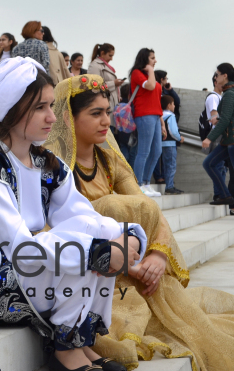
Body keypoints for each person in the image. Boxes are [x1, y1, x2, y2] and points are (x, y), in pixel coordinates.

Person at [0, 59, 145, 371]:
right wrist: (97, 251)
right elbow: (18, 248)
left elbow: (80, 213)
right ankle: (66, 349)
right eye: (40, 107)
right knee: (79, 248)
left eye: (52, 105)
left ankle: (82, 341)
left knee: (93, 236)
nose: (52, 117)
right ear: (12, 110)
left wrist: (122, 237)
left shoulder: (47, 163)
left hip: (32, 274)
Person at [46, 74, 234, 371]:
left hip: (136, 267)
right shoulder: (52, 170)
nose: (107, 121)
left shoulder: (108, 160)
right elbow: (49, 237)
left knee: (130, 206)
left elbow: (148, 210)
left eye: (107, 112)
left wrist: (158, 257)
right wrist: (121, 260)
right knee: (108, 207)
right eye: (96, 114)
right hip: (93, 273)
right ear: (68, 118)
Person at [128, 48, 166, 196]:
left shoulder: (150, 75)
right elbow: (150, 86)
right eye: (152, 58)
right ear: (145, 59)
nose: (155, 61)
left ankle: (146, 183)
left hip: (155, 115)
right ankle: (138, 185)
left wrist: (162, 122)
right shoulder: (137, 73)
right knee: (144, 151)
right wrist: (150, 70)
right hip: (144, 114)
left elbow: (156, 99)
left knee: (157, 151)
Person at [202, 63, 234, 206]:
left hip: (231, 140)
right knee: (209, 163)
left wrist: (209, 138)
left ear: (224, 76)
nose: (216, 77)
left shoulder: (229, 94)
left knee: (210, 163)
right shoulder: (229, 92)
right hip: (228, 141)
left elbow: (226, 119)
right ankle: (225, 196)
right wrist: (219, 119)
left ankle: (225, 195)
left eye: (217, 74)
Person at [86, 44, 125, 128]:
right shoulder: (95, 65)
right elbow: (94, 86)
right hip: (103, 108)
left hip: (110, 107)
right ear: (102, 53)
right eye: (110, 55)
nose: (111, 58)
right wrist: (114, 83)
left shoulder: (103, 66)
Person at [160, 95, 184, 194]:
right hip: (170, 144)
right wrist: (179, 138)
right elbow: (173, 131)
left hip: (162, 143)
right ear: (169, 105)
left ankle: (169, 185)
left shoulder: (160, 115)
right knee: (171, 165)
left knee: (166, 165)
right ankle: (170, 187)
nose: (174, 106)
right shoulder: (171, 116)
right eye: (173, 104)